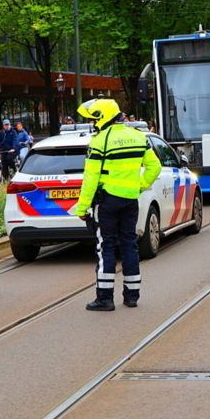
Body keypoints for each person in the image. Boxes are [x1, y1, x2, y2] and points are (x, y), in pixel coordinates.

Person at [73, 99, 161, 310]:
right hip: (130, 200)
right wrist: (138, 187)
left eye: (93, 120)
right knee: (130, 244)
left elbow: (91, 179)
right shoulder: (138, 136)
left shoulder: (99, 141)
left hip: (107, 202)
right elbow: (155, 167)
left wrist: (82, 207)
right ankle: (132, 296)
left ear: (102, 117)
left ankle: (105, 298)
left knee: (106, 246)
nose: (93, 124)